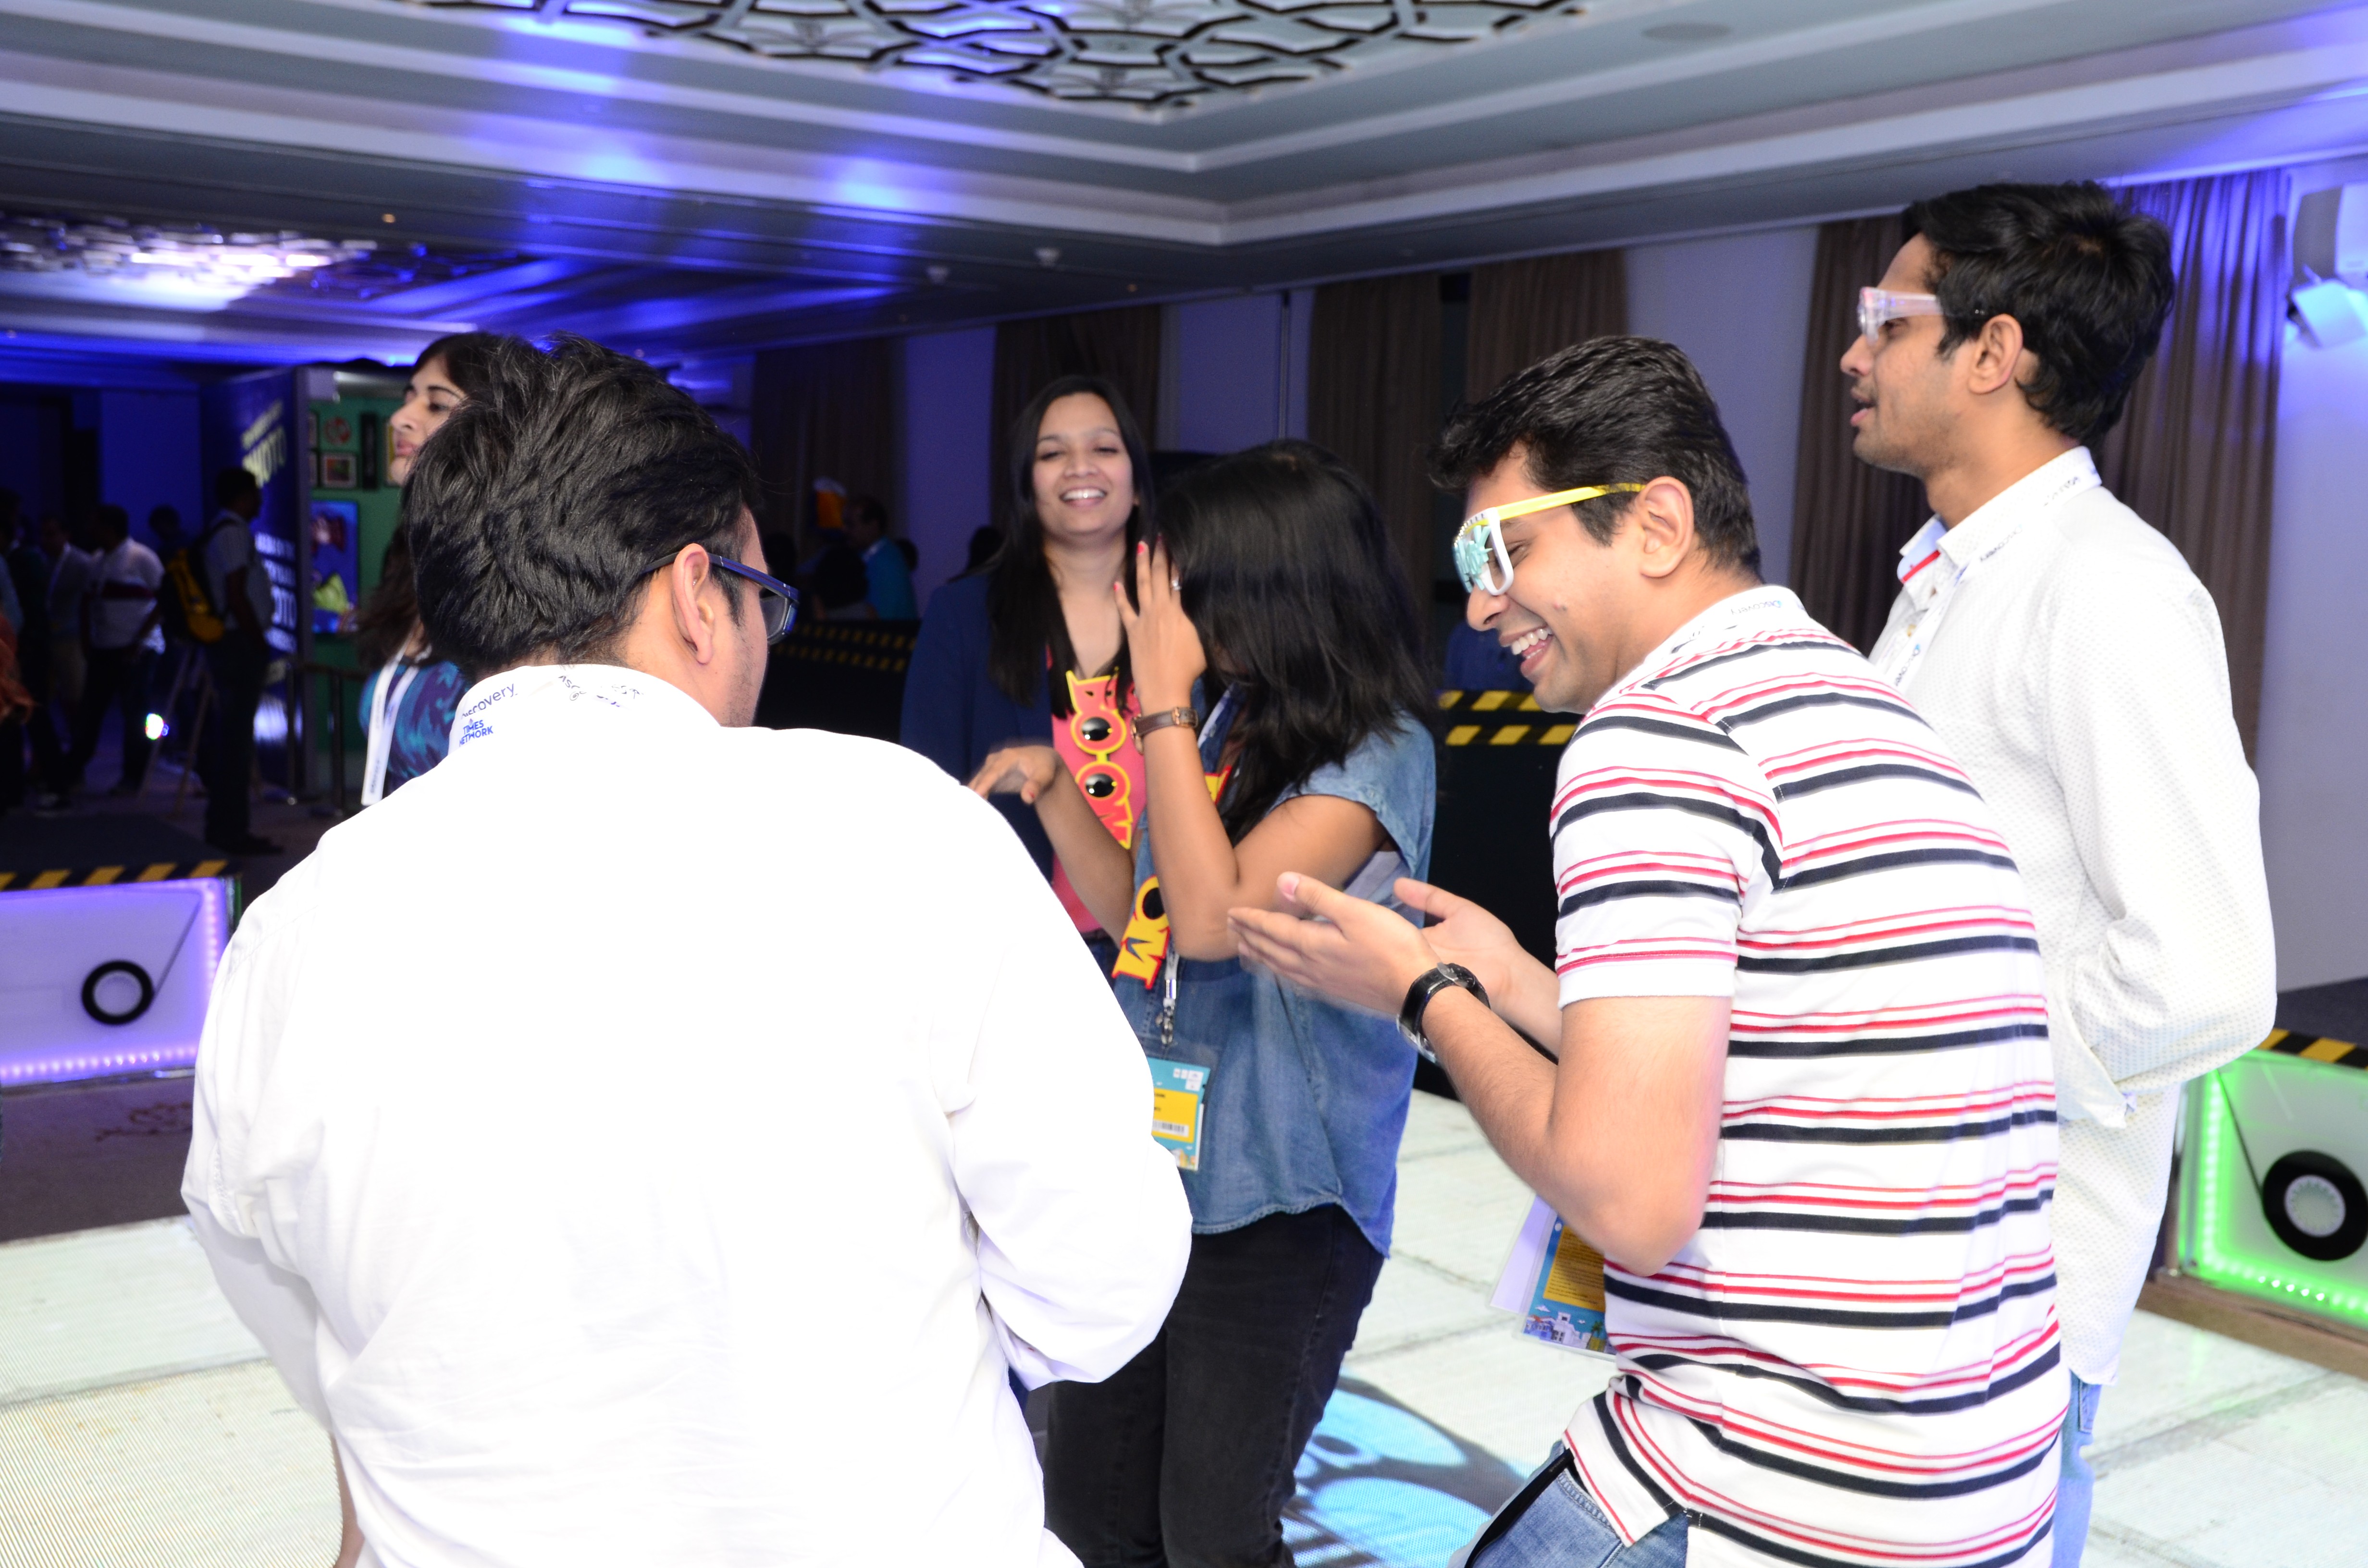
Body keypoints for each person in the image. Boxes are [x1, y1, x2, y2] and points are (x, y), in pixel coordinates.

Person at [183, 333, 1191, 1568]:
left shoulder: (290, 935)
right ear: (697, 596)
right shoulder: (900, 832)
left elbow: (297, 1313)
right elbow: (1102, 1284)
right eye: (765, 596)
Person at [1230, 338, 2066, 1568]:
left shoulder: (1654, 740)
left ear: (1658, 524)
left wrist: (1425, 993)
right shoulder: (1864, 706)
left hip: (1761, 1488)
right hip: (1964, 1490)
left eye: (1505, 551)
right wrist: (1514, 981)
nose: (1481, 604)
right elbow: (1783, 1051)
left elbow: (1628, 1198)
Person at [1842, 183, 2276, 1567]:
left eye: (1885, 319)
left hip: (1991, 1291)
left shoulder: (2107, 588)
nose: (1854, 353)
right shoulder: (1946, 581)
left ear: (1993, 351)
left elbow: (2207, 978)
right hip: (1885, 1257)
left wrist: (1934, 1066)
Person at [974, 440, 1436, 1568]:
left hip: (1280, 1207)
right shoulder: (1228, 726)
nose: (1168, 617)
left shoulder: (1380, 755)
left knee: (1215, 1538)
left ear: (1271, 587)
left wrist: (1163, 707)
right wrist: (1058, 794)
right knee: (1093, 1514)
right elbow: (1143, 905)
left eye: (1189, 588)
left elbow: (1214, 920)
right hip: (1157, 1182)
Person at [903, 375, 1155, 948]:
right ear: (1026, 486)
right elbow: (926, 802)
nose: (1079, 467)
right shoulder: (964, 615)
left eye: (1103, 448)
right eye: (1052, 454)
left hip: (1172, 963)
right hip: (1020, 959)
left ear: (1138, 483)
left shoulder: (1186, 618)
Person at [352, 332, 514, 804]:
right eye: (409, 398)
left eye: (437, 404)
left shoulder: (520, 578)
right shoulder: (414, 557)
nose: (400, 418)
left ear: (497, 431)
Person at [197, 466, 277, 853]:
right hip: (237, 645)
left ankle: (226, 828)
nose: (260, 500)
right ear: (242, 497)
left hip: (232, 642)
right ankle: (230, 831)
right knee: (235, 744)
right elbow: (236, 593)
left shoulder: (223, 531)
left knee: (233, 741)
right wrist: (257, 640)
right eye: (256, 493)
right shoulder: (232, 533)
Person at [67, 503, 165, 794]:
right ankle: (73, 770)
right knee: (91, 710)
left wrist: (139, 640)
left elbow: (165, 599)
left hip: (138, 649)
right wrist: (87, 638)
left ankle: (134, 775)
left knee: (135, 712)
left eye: (95, 525)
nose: (90, 530)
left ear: (109, 528)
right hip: (104, 646)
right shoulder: (97, 560)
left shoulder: (142, 558)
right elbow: (88, 603)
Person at [844, 493, 918, 619]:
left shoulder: (887, 563)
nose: (844, 530)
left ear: (873, 526)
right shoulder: (871, 557)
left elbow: (879, 620)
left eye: (851, 525)